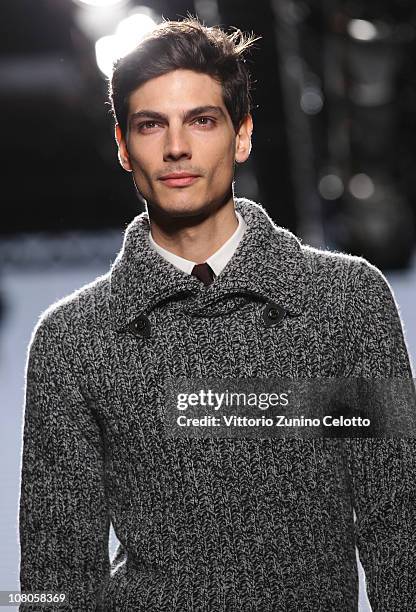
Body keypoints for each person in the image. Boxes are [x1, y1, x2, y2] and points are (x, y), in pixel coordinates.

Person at [19, 16, 416, 612]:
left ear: (242, 135)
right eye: (151, 125)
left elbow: (398, 530)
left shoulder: (346, 302)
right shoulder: (72, 341)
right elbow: (56, 580)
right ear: (124, 147)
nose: (176, 147)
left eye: (201, 120)